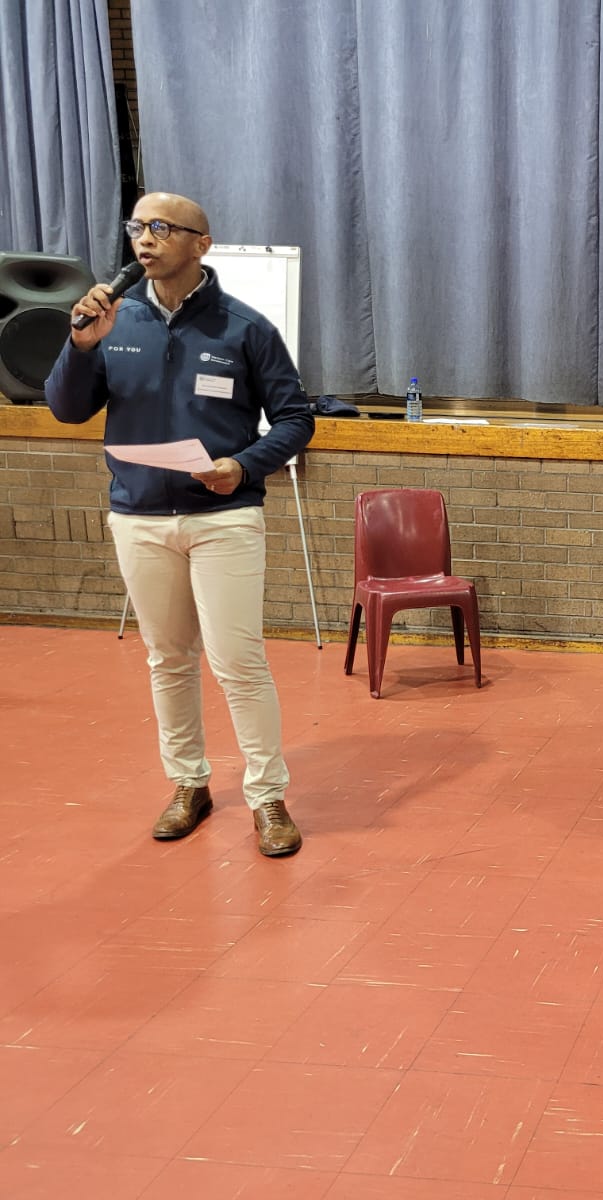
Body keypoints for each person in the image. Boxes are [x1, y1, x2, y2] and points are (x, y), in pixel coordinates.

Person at [45, 192, 315, 857]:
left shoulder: (244, 328)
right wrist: (81, 348)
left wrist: (242, 465)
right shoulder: (113, 321)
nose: (146, 238)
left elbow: (295, 420)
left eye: (162, 228)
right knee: (167, 659)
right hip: (138, 518)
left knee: (238, 661)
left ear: (201, 243)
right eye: (138, 227)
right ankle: (189, 783)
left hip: (223, 517)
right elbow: (66, 409)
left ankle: (267, 796)